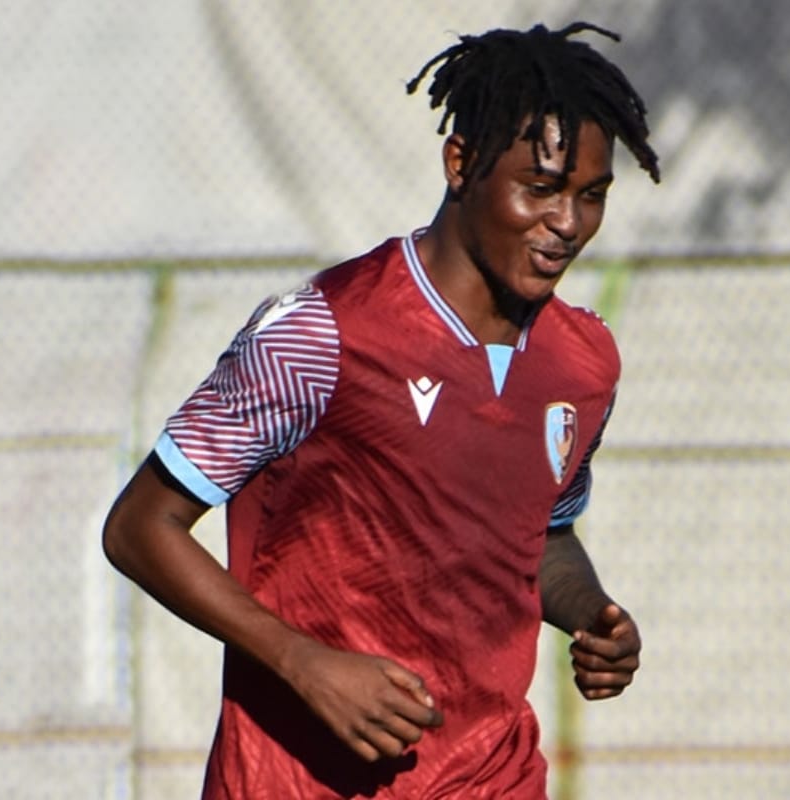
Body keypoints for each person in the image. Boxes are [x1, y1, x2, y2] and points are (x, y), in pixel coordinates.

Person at [103, 20, 661, 799]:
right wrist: (304, 663)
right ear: (461, 164)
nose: (568, 224)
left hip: (491, 777)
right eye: (539, 188)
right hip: (295, 782)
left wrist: (591, 612)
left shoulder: (585, 360)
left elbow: (541, 536)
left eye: (590, 196)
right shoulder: (322, 333)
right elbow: (139, 528)